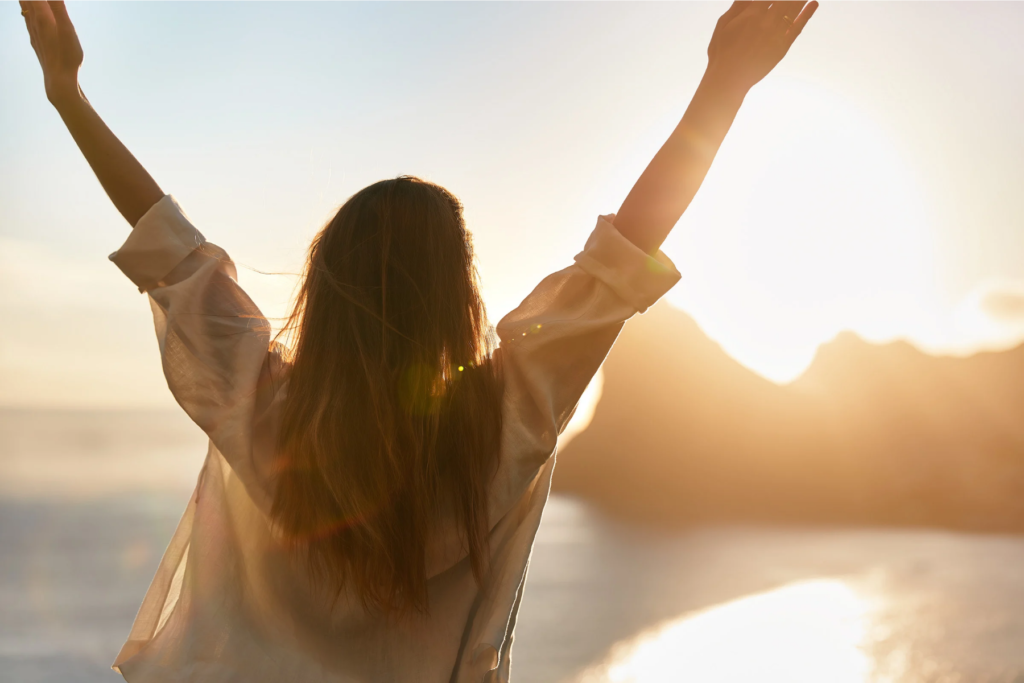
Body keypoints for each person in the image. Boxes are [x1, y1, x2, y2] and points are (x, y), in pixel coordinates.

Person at [19, 1, 816, 681]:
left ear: (323, 288)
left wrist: (68, 96)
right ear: (455, 299)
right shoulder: (502, 427)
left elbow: (172, 251)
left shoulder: (262, 411)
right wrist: (725, 83)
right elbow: (617, 261)